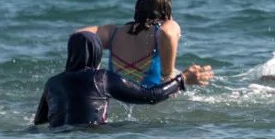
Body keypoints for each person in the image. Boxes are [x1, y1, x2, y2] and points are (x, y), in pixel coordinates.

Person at [34, 32, 212, 127]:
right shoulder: (100, 78)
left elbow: (39, 122)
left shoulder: (52, 82)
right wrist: (182, 79)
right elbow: (149, 96)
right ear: (96, 53)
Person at [78, 0, 181, 88]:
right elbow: (168, 33)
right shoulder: (160, 31)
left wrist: (92, 71)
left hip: (116, 97)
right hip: (152, 98)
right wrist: (168, 74)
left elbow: (79, 36)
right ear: (166, 14)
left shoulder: (113, 33)